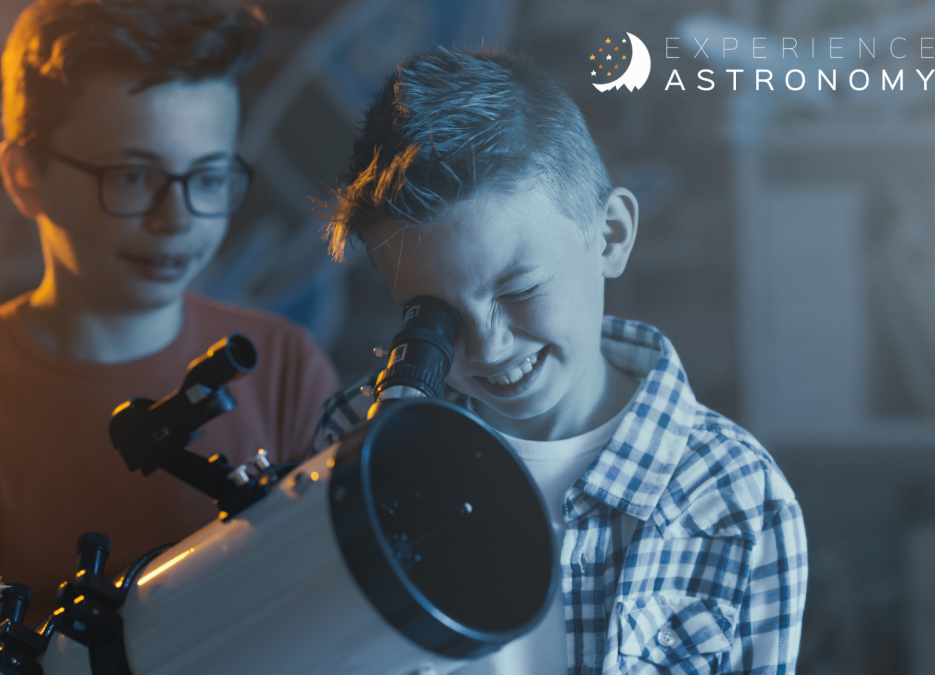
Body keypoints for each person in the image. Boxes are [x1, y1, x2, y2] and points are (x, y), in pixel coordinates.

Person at [0, 1, 339, 673]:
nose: (177, 220)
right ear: (25, 176)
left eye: (208, 177)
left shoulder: (282, 362)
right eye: (133, 177)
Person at [314, 49, 807, 674]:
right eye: (432, 317)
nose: (489, 348)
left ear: (610, 236)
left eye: (519, 292)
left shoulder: (735, 495)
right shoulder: (352, 444)